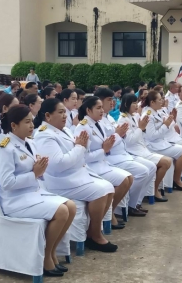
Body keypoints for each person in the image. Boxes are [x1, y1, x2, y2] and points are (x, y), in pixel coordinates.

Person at [0, 105, 75, 276]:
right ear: (14, 126)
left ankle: (52, 251)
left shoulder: (29, 142)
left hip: (33, 194)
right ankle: (46, 257)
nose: (32, 125)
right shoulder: (6, 148)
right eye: (27, 122)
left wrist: (39, 169)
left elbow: (36, 173)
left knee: (71, 206)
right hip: (15, 200)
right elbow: (7, 183)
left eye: (32, 121)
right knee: (61, 211)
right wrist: (34, 173)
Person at [33, 98, 117, 252]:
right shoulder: (44, 135)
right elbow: (59, 164)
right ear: (48, 116)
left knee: (108, 188)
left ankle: (93, 231)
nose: (65, 116)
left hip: (76, 175)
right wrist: (79, 147)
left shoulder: (63, 130)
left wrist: (81, 146)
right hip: (60, 181)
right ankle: (96, 236)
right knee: (101, 191)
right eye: (60, 112)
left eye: (65, 112)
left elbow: (79, 151)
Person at [94, 87, 154, 217]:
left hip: (123, 153)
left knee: (151, 167)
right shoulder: (100, 121)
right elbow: (107, 143)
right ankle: (127, 206)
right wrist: (120, 134)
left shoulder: (108, 118)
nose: (112, 102)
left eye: (112, 100)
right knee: (143, 171)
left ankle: (134, 203)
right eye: (109, 100)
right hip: (112, 157)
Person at [75, 96, 132, 229]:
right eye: (98, 108)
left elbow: (108, 142)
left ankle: (109, 212)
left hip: (102, 163)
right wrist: (103, 150)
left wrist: (118, 135)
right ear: (88, 110)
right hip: (91, 167)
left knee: (129, 178)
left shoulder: (97, 123)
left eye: (102, 107)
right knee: (124, 180)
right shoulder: (83, 127)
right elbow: (83, 157)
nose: (102, 111)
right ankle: (108, 216)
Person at [118, 93, 172, 201]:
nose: (136, 105)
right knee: (166, 162)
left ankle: (147, 194)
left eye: (136, 102)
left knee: (166, 162)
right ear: (126, 104)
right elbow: (129, 141)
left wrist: (141, 129)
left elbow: (143, 136)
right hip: (133, 151)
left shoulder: (134, 116)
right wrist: (140, 128)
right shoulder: (123, 120)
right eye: (133, 103)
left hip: (142, 148)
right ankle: (152, 192)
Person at [141, 91, 182, 191]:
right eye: (159, 99)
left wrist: (168, 123)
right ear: (152, 102)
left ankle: (176, 179)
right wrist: (165, 125)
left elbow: (169, 124)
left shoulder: (157, 111)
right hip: (153, 146)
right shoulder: (148, 115)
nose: (162, 101)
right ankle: (176, 180)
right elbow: (151, 136)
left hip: (162, 142)